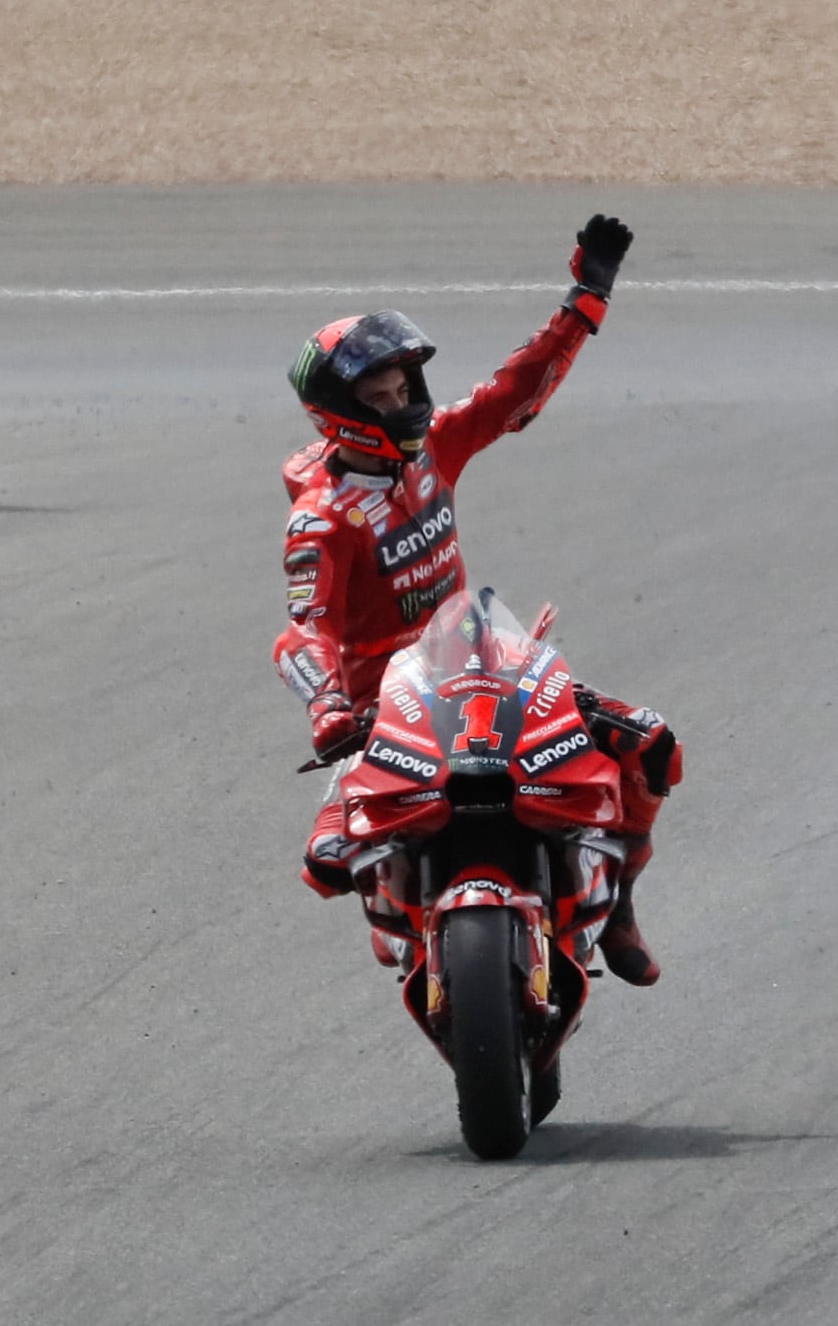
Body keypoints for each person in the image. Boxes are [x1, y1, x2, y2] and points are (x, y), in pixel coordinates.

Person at [273, 214, 681, 986]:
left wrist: (585, 297)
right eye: (382, 396)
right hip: (384, 712)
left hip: (478, 666)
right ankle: (396, 896)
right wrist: (328, 707)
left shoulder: (434, 448)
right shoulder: (321, 519)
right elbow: (302, 631)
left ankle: (619, 899)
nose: (403, 406)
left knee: (652, 743)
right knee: (327, 859)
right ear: (344, 412)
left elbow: (511, 391)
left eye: (405, 389)